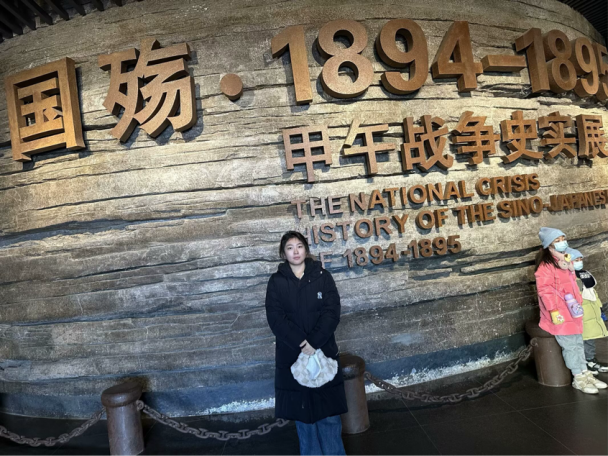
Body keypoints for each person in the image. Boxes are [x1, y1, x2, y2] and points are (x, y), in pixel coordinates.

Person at [265, 231, 347, 456]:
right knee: (304, 419)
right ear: (283, 253)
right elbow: (275, 318)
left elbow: (332, 312)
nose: (295, 251)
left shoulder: (323, 276)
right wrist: (302, 343)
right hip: (293, 356)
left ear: (306, 249)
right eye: (290, 247)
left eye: (299, 246)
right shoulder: (276, 282)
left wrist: (314, 342)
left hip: (323, 353)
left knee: (329, 417)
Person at [534, 227, 605, 394]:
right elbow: (545, 290)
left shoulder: (565, 261)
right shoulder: (546, 266)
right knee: (570, 346)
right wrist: (553, 310)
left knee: (578, 343)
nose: (562, 243)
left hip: (573, 309)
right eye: (557, 240)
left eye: (563, 239)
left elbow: (573, 284)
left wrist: (578, 301)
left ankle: (586, 373)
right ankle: (578, 377)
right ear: (549, 244)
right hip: (559, 312)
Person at [566, 247, 608, 374]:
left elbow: (593, 293)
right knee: (584, 340)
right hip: (581, 314)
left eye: (580, 259)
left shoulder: (584, 274)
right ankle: (587, 363)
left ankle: (590, 361)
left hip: (591, 312)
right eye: (576, 259)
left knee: (590, 339)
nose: (579, 262)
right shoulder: (569, 278)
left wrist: (600, 309)